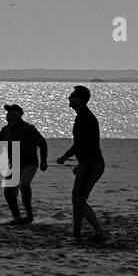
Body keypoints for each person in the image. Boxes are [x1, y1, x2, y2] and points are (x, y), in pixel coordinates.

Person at [55, 84, 107, 243]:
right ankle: (76, 235)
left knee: (78, 200)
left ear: (80, 99)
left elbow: (81, 144)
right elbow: (82, 144)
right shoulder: (82, 116)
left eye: (72, 96)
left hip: (91, 163)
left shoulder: (85, 117)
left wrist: (65, 157)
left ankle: (99, 232)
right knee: (76, 198)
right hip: (87, 162)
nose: (69, 98)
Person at [0, 103, 48, 223]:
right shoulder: (5, 130)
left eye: (10, 113)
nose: (7, 115)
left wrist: (43, 161)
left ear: (17, 115)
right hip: (14, 164)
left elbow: (42, 144)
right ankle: (17, 216)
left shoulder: (29, 128)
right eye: (7, 113)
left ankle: (29, 215)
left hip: (30, 163)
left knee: (24, 185)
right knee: (8, 191)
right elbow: (0, 145)